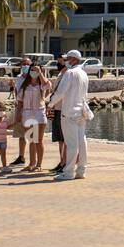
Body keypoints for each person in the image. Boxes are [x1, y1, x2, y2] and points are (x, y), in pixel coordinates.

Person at [48, 50, 93, 181]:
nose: (65, 61)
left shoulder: (70, 73)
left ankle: (68, 173)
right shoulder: (84, 74)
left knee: (72, 144)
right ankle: (81, 170)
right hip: (81, 113)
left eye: (67, 58)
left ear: (74, 59)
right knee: (82, 143)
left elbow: (61, 92)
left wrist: (50, 104)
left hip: (69, 113)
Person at [19, 64, 51, 172]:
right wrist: (18, 116)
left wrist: (40, 73)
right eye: (32, 70)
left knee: (39, 140)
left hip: (39, 113)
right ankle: (32, 163)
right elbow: (19, 101)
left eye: (36, 70)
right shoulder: (24, 85)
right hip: (27, 114)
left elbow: (47, 85)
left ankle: (39, 164)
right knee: (31, 140)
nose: (34, 72)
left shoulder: (42, 84)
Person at [49, 52, 69, 173]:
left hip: (63, 109)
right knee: (59, 139)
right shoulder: (61, 73)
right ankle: (62, 161)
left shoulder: (68, 74)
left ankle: (65, 162)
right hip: (57, 109)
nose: (59, 63)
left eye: (62, 60)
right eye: (59, 60)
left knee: (65, 138)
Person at [9, 62, 31, 167]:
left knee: (32, 136)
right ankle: (21, 157)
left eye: (27, 64)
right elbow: (17, 93)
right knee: (21, 134)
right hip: (20, 108)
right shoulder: (19, 78)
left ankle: (33, 160)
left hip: (30, 110)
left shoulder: (34, 78)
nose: (25, 66)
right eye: (23, 64)